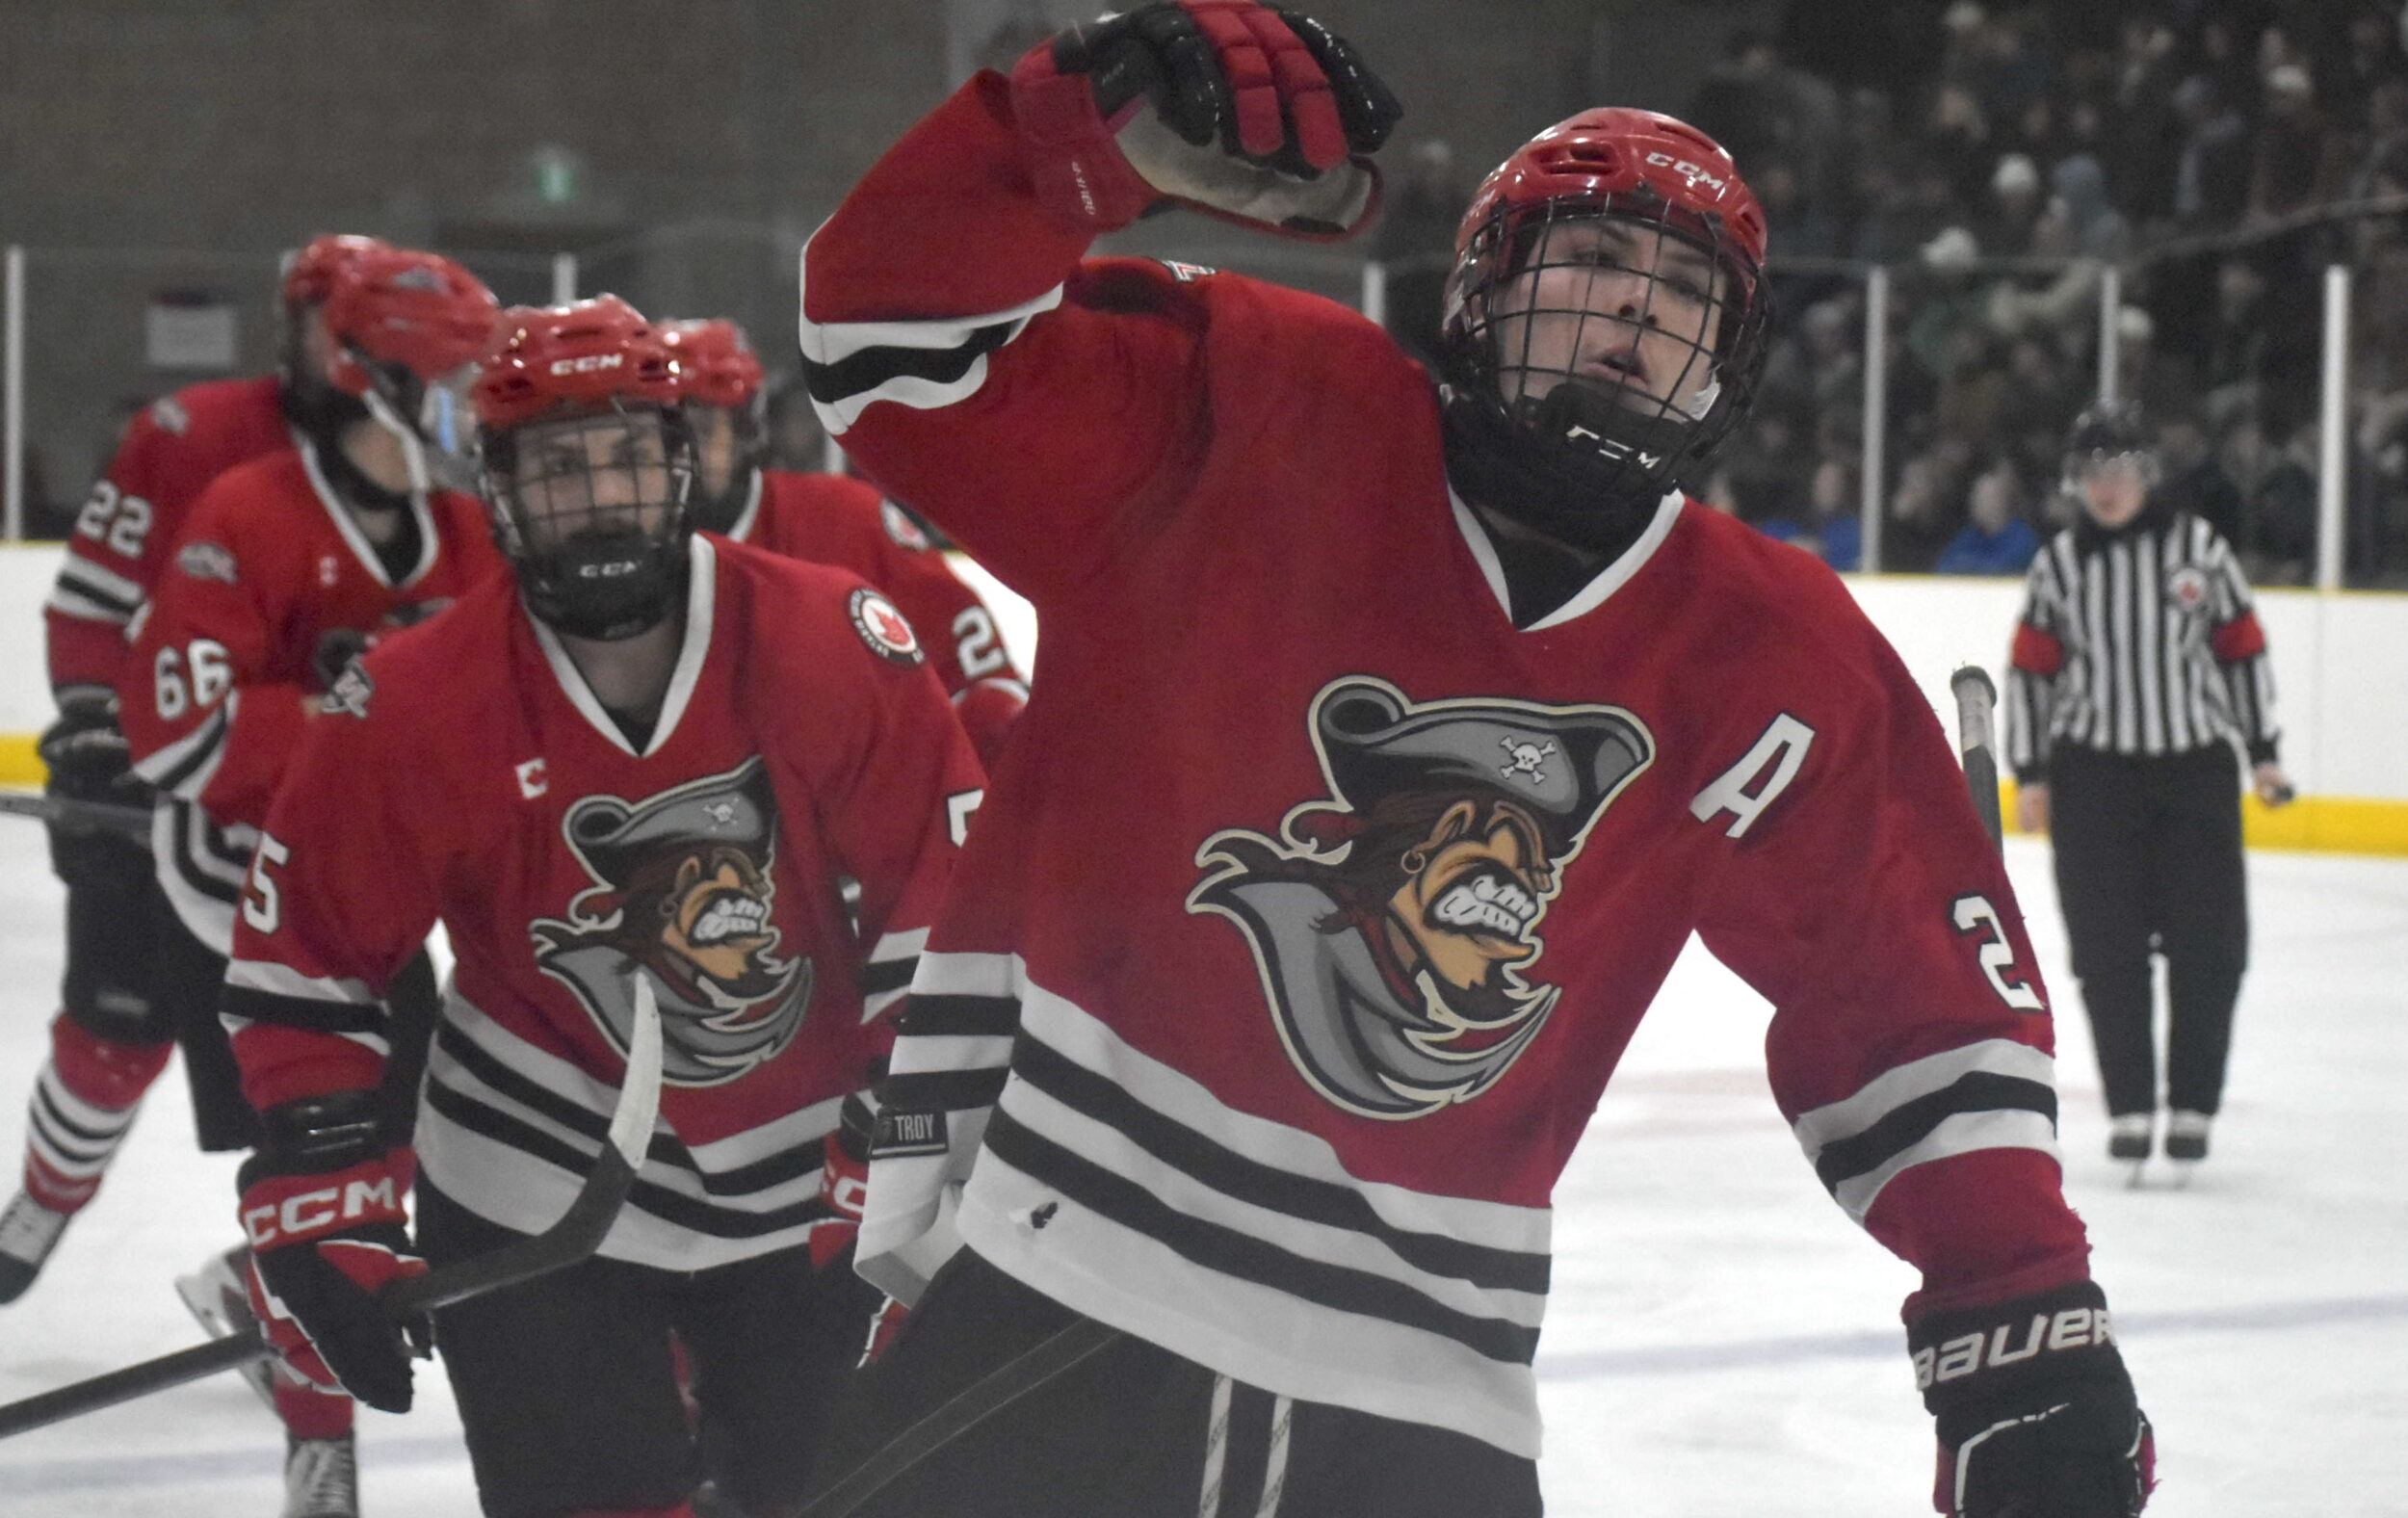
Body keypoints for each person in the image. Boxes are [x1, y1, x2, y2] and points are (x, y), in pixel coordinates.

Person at [797, 5, 2152, 1515]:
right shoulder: (1247, 409)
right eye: (1593, 261)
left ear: (1732, 367)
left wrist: (2013, 1317)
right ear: (1483, 287)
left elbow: (1915, 998)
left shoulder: (1769, 653)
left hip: (1426, 1372)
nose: (1637, 311)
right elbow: (885, 344)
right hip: (1056, 1271)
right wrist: (1068, 138)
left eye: (1687, 291)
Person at [220, 296, 985, 1518]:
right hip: (533, 1169)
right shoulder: (411, 701)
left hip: (813, 1173)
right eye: (559, 467)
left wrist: (903, 1137)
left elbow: (939, 911)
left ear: (683, 465)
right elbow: (307, 951)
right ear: (498, 489)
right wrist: (323, 1191)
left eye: (626, 457)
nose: (598, 496)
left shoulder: (827, 637)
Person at [113, 240, 499, 1517]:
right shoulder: (247, 512)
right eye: (446, 383)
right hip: (236, 904)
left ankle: (251, 1291)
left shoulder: (462, 529)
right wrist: (350, 703)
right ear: (369, 376)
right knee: (314, 1174)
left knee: (404, 1161)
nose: (467, 413)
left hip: (375, 908)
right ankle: (317, 1455)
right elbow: (177, 735)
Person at [3, 234, 392, 1309]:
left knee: (339, 1091)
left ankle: (260, 1287)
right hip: (166, 790)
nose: (356, 354)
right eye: (333, 326)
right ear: (297, 329)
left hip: (312, 828)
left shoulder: (427, 473)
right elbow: (90, 600)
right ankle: (44, 1197)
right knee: (115, 1025)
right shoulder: (189, 436)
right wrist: (89, 722)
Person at [2005, 402, 2291, 1174]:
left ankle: (2194, 1103)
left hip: (2194, 771)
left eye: (2123, 470)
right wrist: (2030, 775)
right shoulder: (2060, 565)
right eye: (2094, 473)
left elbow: (2242, 652)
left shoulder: (2200, 550)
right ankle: (2130, 1106)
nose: (2109, 487)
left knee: (2211, 947)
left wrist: (2263, 752)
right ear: (2076, 481)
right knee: (2106, 949)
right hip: (2092, 774)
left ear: (2148, 476)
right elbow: (2032, 675)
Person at [660, 318, 1029, 768]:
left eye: (696, 429)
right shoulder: (614, 563)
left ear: (745, 429)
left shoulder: (845, 521)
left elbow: (984, 688)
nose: (675, 455)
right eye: (656, 435)